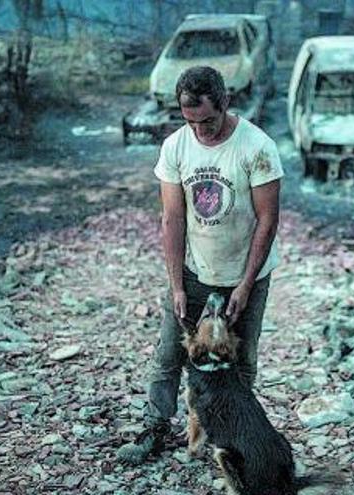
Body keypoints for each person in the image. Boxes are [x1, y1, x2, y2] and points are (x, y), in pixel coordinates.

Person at [118, 66, 284, 464]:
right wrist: (176, 285)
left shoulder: (257, 147)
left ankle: (231, 435)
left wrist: (245, 285)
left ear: (225, 102)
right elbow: (173, 219)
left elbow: (268, 220)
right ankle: (156, 427)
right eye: (190, 121)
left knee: (240, 362)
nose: (200, 131)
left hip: (246, 274)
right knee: (167, 356)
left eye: (207, 120)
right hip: (195, 272)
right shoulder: (176, 146)